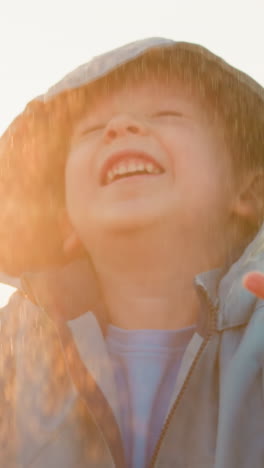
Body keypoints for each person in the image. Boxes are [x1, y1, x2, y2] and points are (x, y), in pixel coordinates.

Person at [0, 38, 263, 468]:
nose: (120, 126)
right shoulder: (12, 349)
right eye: (90, 130)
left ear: (248, 192)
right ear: (66, 221)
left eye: (166, 115)